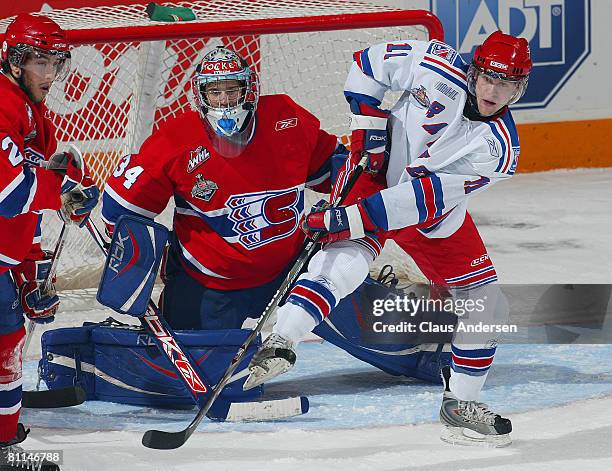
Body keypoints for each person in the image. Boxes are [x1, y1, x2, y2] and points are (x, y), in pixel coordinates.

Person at [247, 31, 532, 447]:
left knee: (488, 304)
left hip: (427, 214)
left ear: (519, 88)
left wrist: (347, 217)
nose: (493, 90)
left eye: (506, 84)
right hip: (373, 171)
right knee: (346, 261)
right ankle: (281, 339)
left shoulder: (500, 148)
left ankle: (460, 408)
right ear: (474, 70)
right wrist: (370, 127)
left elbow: (419, 200)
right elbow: (366, 65)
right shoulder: (432, 61)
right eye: (488, 77)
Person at [101, 46, 342, 331]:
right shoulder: (175, 140)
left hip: (293, 270)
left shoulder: (287, 119)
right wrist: (148, 256)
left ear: (249, 90)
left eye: (232, 89)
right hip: (209, 283)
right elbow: (121, 212)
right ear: (201, 95)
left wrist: (350, 212)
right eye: (215, 92)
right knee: (195, 373)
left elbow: (342, 173)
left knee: (383, 334)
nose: (225, 101)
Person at [0, 13, 99, 470]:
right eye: (41, 62)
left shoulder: (31, 111)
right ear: (15, 62)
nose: (51, 74)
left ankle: (3, 440)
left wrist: (27, 279)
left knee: (9, 336)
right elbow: (10, 192)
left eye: (57, 63)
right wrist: (62, 188)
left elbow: (31, 206)